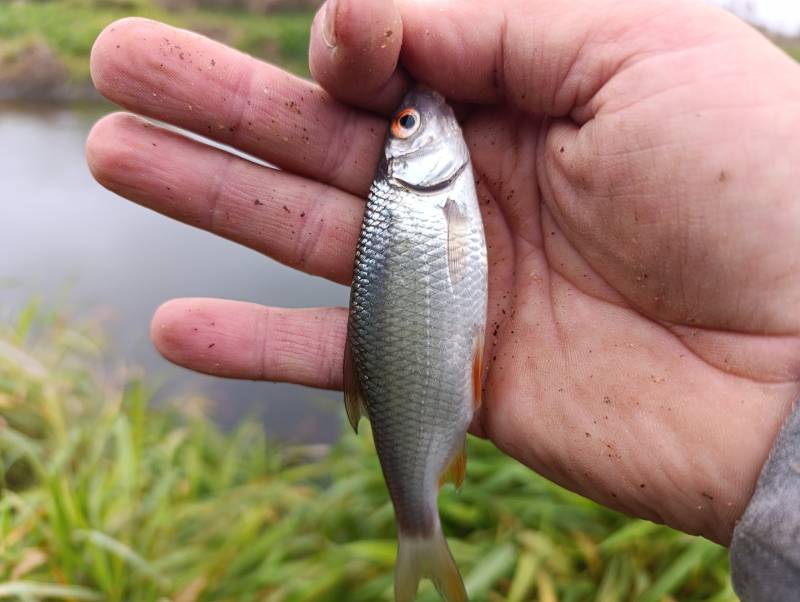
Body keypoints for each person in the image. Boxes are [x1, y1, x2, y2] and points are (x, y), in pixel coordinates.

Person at [84, 0, 800, 598]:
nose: (419, 118)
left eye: (406, 125)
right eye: (409, 126)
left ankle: (416, 532)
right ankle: (417, 527)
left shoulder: (413, 199)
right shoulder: (412, 200)